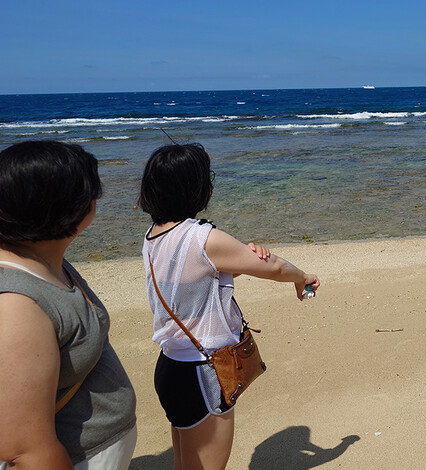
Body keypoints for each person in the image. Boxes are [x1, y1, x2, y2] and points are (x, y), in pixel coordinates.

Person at [138, 143, 320, 470]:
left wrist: (242, 258)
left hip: (170, 367)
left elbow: (197, 277)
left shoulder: (152, 236)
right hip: (204, 371)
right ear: (197, 188)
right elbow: (275, 267)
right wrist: (301, 277)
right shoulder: (203, 236)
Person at [0, 141, 137, 469]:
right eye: (89, 193)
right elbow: (25, 450)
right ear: (62, 210)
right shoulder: (17, 305)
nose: (97, 199)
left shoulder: (42, 259)